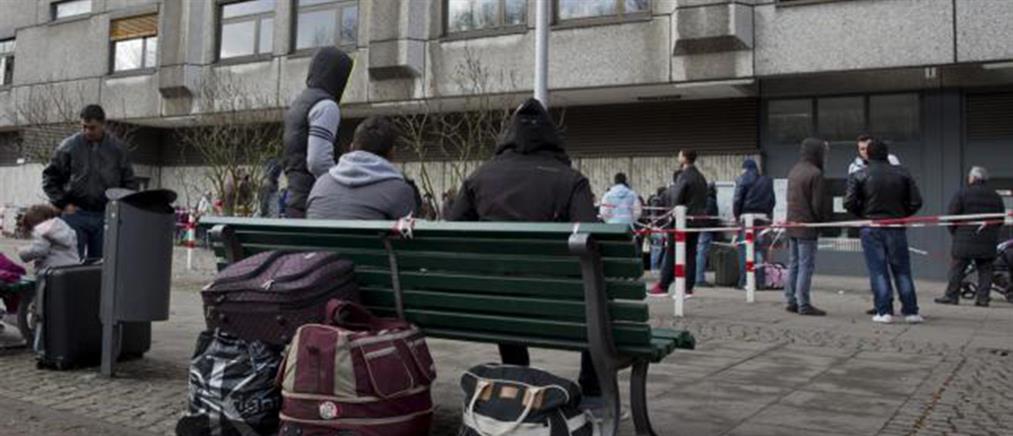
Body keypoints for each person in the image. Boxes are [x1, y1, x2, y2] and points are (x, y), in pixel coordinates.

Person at [447, 98, 602, 403]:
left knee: (505, 283)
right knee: (596, 295)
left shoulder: (479, 177)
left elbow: (453, 232)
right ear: (552, 138)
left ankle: (517, 370)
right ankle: (593, 391)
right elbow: (592, 239)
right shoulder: (571, 180)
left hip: (490, 301)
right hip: (558, 303)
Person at [42, 104, 138, 259]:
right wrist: (63, 203)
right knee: (72, 261)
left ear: (103, 124)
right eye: (83, 127)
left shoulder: (118, 149)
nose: (87, 131)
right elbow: (49, 177)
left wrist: (122, 210)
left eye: (92, 127)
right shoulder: (68, 146)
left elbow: (129, 183)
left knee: (101, 263)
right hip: (75, 214)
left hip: (106, 215)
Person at [845, 139, 924, 324]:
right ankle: (911, 311)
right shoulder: (903, 173)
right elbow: (916, 201)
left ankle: (884, 311)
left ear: (868, 155)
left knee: (878, 270)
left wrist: (863, 214)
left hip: (871, 227)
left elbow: (848, 202)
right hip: (896, 227)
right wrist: (901, 214)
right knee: (902, 270)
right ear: (887, 154)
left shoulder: (859, 174)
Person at [283, 47, 354, 218]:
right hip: (315, 204)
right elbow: (317, 161)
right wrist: (339, 189)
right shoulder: (326, 106)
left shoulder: (298, 103)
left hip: (295, 201)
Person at [306, 116, 418, 220]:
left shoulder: (321, 184)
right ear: (392, 153)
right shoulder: (399, 190)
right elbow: (406, 232)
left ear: (351, 147)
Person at [935, 167, 1005, 307]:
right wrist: (991, 233)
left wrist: (956, 233)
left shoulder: (962, 193)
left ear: (972, 178)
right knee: (985, 270)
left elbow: (952, 216)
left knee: (958, 268)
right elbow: (1000, 219)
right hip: (987, 239)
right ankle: (983, 299)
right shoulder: (996, 196)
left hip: (964, 238)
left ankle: (951, 296)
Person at [651, 151, 708, 296]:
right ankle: (688, 288)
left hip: (682, 221)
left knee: (672, 253)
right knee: (691, 254)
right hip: (697, 221)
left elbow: (677, 198)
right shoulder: (701, 177)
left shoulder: (684, 176)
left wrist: (672, 213)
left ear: (684, 158)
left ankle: (663, 285)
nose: (678, 157)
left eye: (680, 154)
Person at [785, 138, 830, 316]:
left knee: (794, 264)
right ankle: (803, 304)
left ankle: (791, 300)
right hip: (807, 226)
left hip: (792, 224)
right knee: (806, 266)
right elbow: (818, 204)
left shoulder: (794, 170)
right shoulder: (815, 173)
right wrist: (822, 223)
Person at [733, 158, 776, 289]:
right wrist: (767, 214)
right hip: (762, 219)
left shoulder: (742, 179)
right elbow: (772, 201)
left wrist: (737, 216)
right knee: (760, 249)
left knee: (744, 249)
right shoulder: (767, 181)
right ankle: (760, 281)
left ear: (745, 169)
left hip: (747, 219)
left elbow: (737, 200)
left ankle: (745, 281)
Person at [17, 204, 80, 271]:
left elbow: (39, 250)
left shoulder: (42, 230)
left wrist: (22, 252)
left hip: (52, 270)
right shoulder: (63, 226)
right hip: (72, 267)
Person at [695, 183, 719, 287]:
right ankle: (699, 278)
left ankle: (698, 277)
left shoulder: (702, 198)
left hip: (702, 228)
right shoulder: (711, 200)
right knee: (702, 253)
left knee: (700, 252)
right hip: (706, 229)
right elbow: (709, 215)